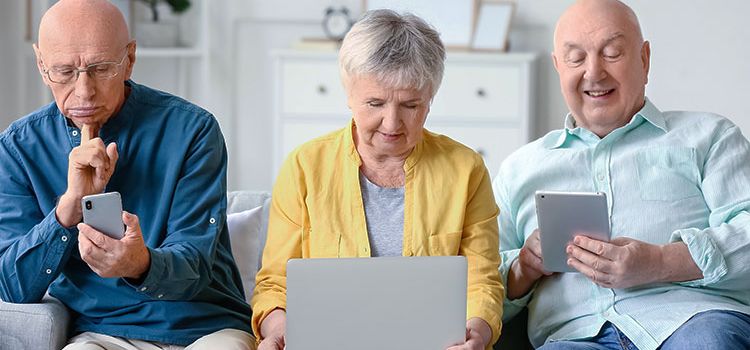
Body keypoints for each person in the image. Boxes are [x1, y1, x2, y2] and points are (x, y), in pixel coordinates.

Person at [493, 0, 750, 349]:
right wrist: (523, 268)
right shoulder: (518, 169)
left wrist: (661, 262)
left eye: (612, 53)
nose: (594, 73)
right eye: (576, 58)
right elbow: (480, 289)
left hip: (691, 323)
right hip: (575, 338)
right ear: (558, 67)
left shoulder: (709, 137)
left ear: (644, 60)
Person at [0, 0, 255, 349]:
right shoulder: (18, 148)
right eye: (64, 71)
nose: (84, 91)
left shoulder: (192, 131)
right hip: (101, 333)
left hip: (207, 326)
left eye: (101, 68)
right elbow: (11, 287)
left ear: (130, 59)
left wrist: (141, 264)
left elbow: (194, 266)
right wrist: (68, 209)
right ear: (41, 65)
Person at [251, 9, 504, 350]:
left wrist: (478, 331)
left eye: (410, 105)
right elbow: (275, 283)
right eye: (375, 103)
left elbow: (481, 282)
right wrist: (279, 330)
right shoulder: (304, 167)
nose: (391, 123)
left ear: (430, 100)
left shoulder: (466, 169)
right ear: (349, 95)